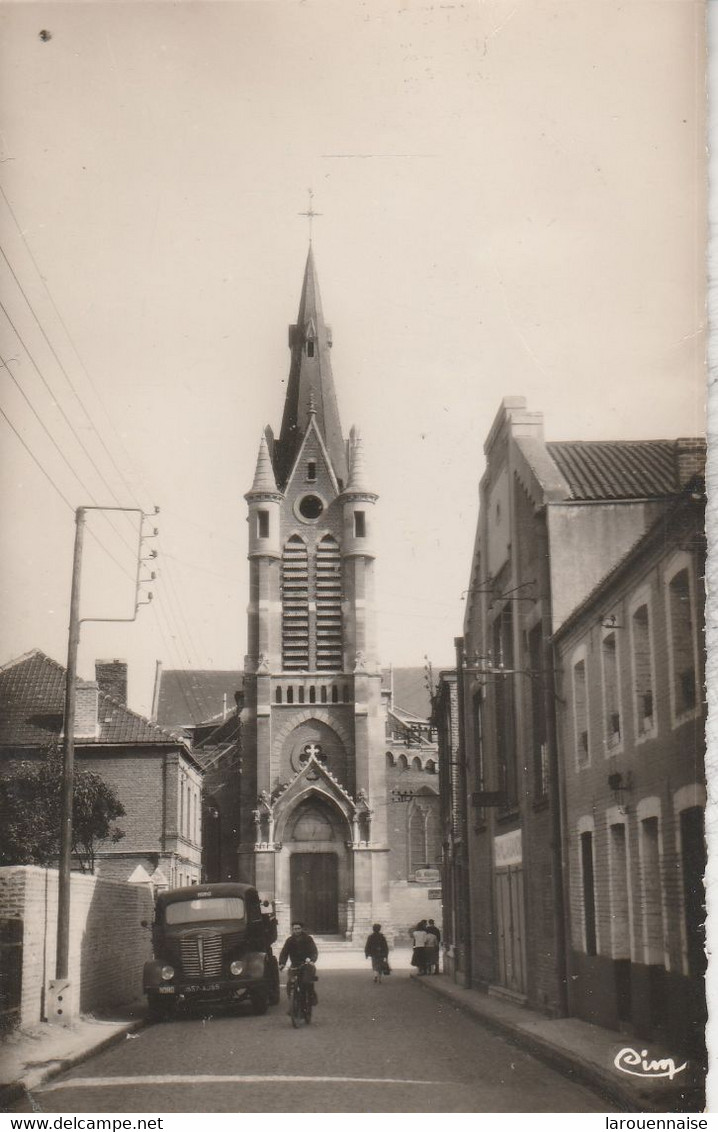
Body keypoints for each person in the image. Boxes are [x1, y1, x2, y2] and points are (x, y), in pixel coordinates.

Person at [278, 921, 319, 1005]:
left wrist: (311, 960)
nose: (296, 931)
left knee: (306, 982)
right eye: (294, 929)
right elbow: (284, 953)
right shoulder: (289, 940)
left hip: (306, 964)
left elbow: (314, 951)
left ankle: (311, 996)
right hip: (295, 965)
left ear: (302, 929)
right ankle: (293, 1003)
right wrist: (282, 963)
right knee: (290, 984)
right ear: (292, 930)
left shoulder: (308, 939)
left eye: (298, 929)